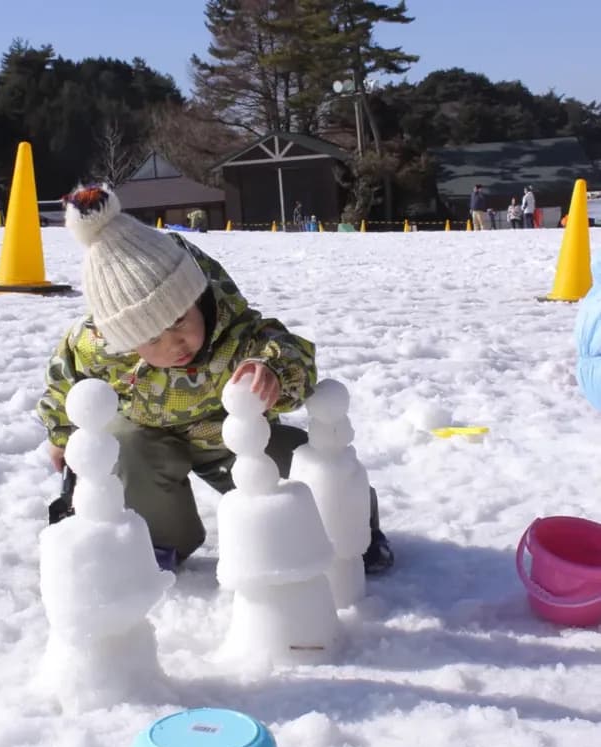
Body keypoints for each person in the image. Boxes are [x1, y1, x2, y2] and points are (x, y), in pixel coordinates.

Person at [37, 184, 394, 574]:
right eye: (152, 339)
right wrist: (63, 434)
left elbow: (291, 351)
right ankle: (159, 541)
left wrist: (273, 370)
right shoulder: (95, 348)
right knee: (123, 446)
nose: (175, 344)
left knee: (306, 466)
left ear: (198, 299)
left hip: (229, 433)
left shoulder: (235, 334)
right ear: (124, 341)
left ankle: (351, 528)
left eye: (180, 322)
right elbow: (67, 385)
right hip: (147, 437)